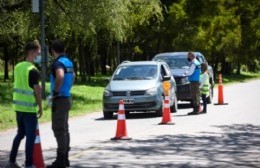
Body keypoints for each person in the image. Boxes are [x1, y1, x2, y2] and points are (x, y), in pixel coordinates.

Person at [8, 41, 42, 168]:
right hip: (28, 109)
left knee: (20, 133)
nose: (39, 55)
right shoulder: (32, 70)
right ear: (32, 52)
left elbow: (22, 84)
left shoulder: (17, 66)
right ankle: (28, 164)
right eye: (38, 52)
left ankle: (12, 160)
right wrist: (40, 107)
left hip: (18, 108)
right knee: (30, 137)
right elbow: (37, 91)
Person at [47, 39, 75, 168]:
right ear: (64, 50)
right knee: (64, 129)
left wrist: (56, 91)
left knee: (59, 129)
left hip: (60, 99)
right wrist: (67, 88)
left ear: (53, 51)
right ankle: (65, 159)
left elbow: (60, 76)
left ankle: (61, 160)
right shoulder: (68, 62)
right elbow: (73, 76)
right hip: (67, 97)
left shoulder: (57, 63)